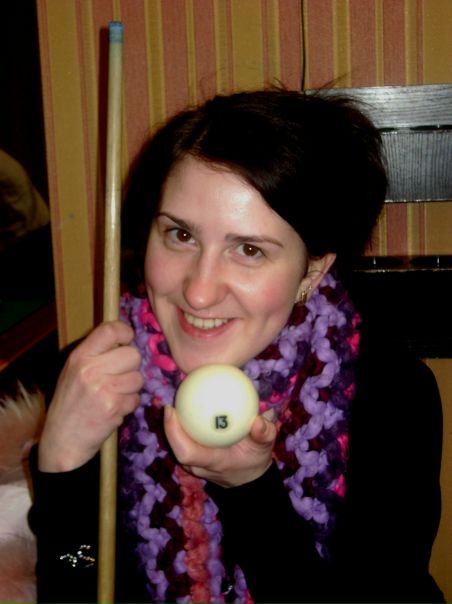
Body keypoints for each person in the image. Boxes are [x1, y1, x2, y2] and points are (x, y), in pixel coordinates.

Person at [28, 89, 446, 603]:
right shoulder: (94, 381)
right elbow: (74, 577)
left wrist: (251, 488)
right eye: (180, 235)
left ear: (312, 270)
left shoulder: (390, 396)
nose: (199, 291)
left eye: (248, 249)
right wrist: (63, 467)